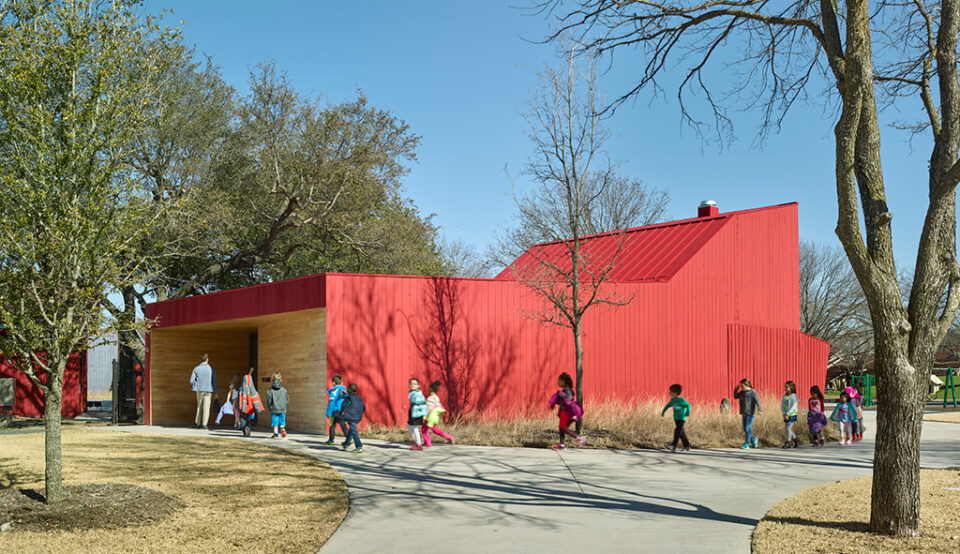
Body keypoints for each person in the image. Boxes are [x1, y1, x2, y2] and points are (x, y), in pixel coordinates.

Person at [548, 372, 585, 450]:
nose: (558, 382)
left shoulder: (567, 390)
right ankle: (562, 444)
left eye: (559, 380)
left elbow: (569, 397)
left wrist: (560, 394)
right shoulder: (565, 390)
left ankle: (578, 437)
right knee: (561, 428)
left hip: (566, 413)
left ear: (564, 381)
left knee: (564, 428)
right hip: (563, 412)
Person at [189, 353, 218, 430]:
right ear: (207, 359)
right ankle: (204, 424)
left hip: (199, 389)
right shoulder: (211, 369)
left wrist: (196, 385)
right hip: (209, 390)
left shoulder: (196, 369)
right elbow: (214, 381)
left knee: (199, 406)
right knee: (206, 407)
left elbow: (191, 381)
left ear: (201, 360)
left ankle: (198, 423)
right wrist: (216, 392)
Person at [422, 380, 454, 447]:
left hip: (430, 417)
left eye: (429, 388)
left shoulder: (432, 398)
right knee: (435, 430)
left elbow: (432, 407)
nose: (428, 389)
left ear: (431, 389)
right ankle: (449, 437)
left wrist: (427, 415)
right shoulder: (434, 397)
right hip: (433, 417)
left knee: (424, 430)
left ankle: (427, 443)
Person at [660, 383, 692, 452]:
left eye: (671, 392)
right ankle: (687, 446)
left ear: (675, 393)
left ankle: (673, 445)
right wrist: (663, 411)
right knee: (681, 432)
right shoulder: (673, 400)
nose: (669, 393)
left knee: (677, 431)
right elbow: (667, 405)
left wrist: (687, 412)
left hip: (682, 418)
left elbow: (688, 406)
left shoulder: (681, 400)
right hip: (676, 419)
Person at [733, 378, 763, 449]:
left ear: (747, 385)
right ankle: (753, 439)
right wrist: (736, 390)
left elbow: (757, 401)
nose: (742, 387)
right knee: (745, 429)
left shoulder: (753, 392)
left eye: (742, 386)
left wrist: (760, 409)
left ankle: (746, 444)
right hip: (744, 412)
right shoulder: (742, 392)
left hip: (750, 413)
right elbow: (735, 397)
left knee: (748, 428)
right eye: (741, 386)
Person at [339, 383, 366, 453]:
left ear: (348, 390)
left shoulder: (348, 398)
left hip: (351, 417)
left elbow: (343, 406)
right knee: (352, 429)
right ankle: (346, 444)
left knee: (354, 431)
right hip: (358, 416)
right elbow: (363, 407)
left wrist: (341, 413)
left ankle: (359, 446)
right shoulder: (359, 398)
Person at [238, 367, 263, 437]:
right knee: (248, 420)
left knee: (243, 419)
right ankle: (248, 429)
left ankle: (245, 429)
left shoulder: (241, 389)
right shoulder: (253, 390)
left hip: (243, 408)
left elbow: (239, 399)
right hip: (250, 408)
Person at [325, 374, 348, 445]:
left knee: (332, 425)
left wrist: (328, 413)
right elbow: (348, 400)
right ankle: (349, 438)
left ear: (333, 383)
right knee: (343, 424)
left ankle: (331, 440)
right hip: (342, 410)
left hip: (335, 411)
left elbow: (331, 402)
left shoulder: (334, 391)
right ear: (341, 383)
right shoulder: (344, 390)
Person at [407, 378, 429, 450]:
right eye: (411, 384)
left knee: (414, 428)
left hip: (417, 413)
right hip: (412, 412)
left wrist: (424, 414)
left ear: (418, 386)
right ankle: (417, 442)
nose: (412, 385)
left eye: (415, 384)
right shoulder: (412, 392)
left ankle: (418, 444)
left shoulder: (417, 393)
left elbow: (422, 404)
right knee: (409, 426)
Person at [267, 373, 290, 439]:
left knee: (275, 422)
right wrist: (285, 407)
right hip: (282, 408)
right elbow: (287, 399)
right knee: (282, 421)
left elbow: (269, 400)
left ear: (272, 380)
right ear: (281, 380)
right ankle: (282, 428)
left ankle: (276, 434)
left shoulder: (270, 390)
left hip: (274, 408)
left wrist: (269, 407)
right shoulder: (284, 390)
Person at [781, 381, 800, 448]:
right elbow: (782, 405)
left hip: (792, 414)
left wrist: (788, 413)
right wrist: (784, 413)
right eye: (785, 387)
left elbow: (794, 405)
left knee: (788, 428)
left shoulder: (793, 396)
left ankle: (788, 442)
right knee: (787, 428)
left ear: (791, 388)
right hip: (786, 414)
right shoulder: (784, 396)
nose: (785, 388)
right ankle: (795, 439)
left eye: (787, 387)